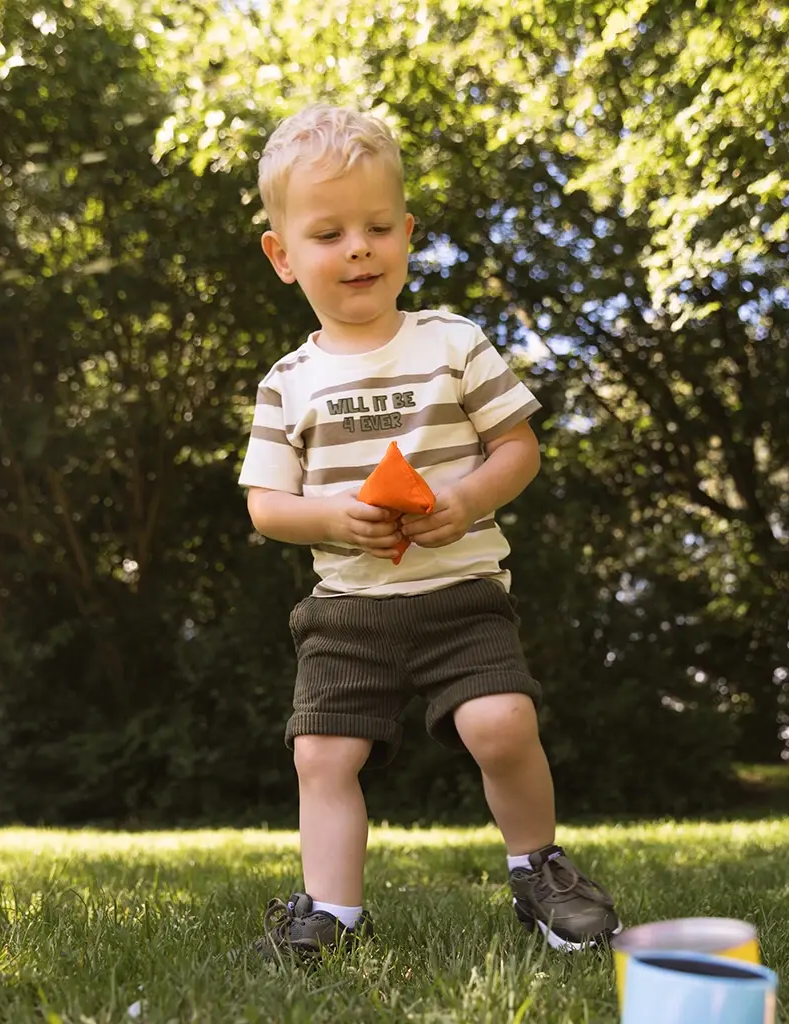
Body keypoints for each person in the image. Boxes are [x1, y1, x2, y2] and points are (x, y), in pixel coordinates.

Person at [237, 103, 620, 960]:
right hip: (347, 609)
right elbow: (267, 505)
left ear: (407, 234)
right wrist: (334, 516)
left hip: (460, 597)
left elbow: (519, 446)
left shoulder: (454, 344)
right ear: (283, 257)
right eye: (328, 233)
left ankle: (540, 871)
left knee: (503, 723)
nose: (359, 248)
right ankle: (330, 916)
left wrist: (467, 496)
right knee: (323, 756)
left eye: (378, 226)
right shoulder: (287, 382)